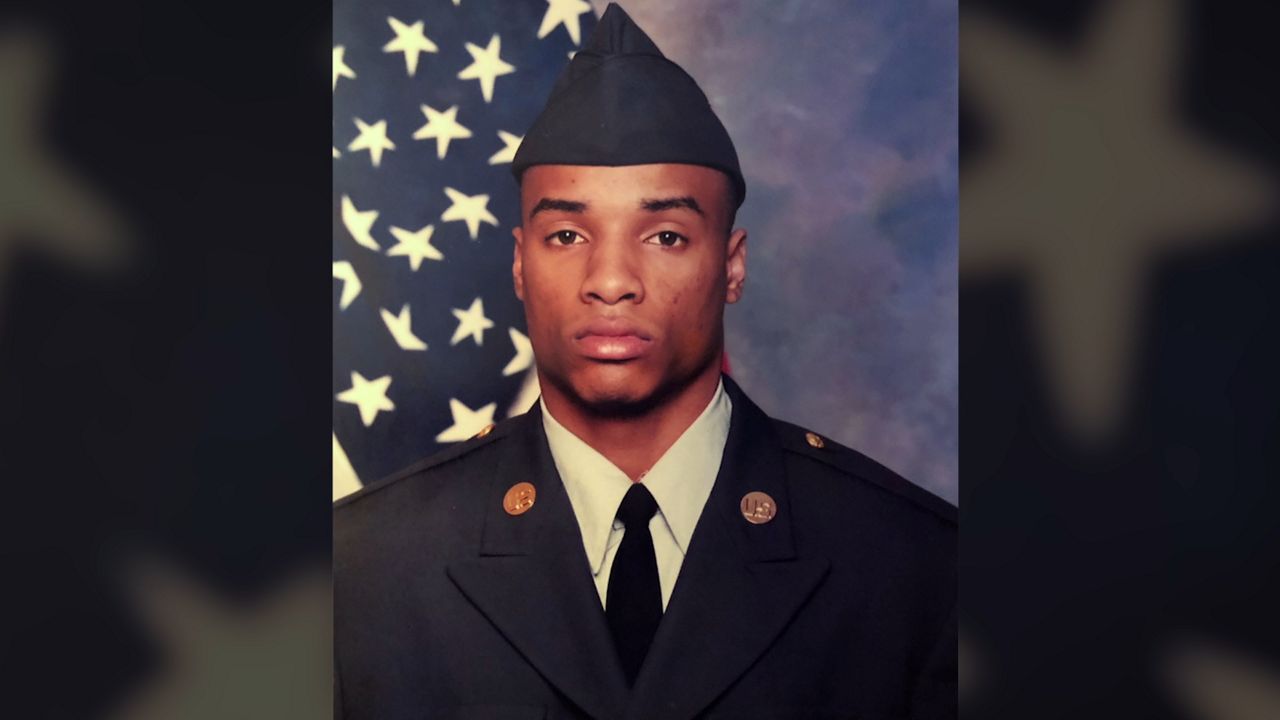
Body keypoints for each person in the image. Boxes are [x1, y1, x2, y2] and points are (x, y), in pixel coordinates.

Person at [334, 5, 956, 719]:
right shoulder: (365, 568)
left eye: (664, 236)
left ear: (732, 265)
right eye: (567, 235)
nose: (610, 281)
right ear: (519, 264)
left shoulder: (911, 565)